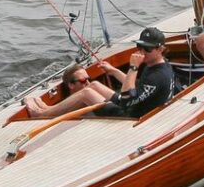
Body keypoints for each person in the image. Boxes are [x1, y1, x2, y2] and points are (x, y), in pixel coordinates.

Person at [24, 27, 174, 120]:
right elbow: (137, 86)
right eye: (139, 46)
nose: (141, 52)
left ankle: (43, 113)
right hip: (133, 104)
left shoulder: (158, 76)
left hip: (130, 115)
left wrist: (133, 68)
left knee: (86, 93)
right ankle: (47, 109)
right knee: (94, 84)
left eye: (147, 49)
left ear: (160, 49)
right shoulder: (155, 64)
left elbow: (128, 100)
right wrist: (114, 71)